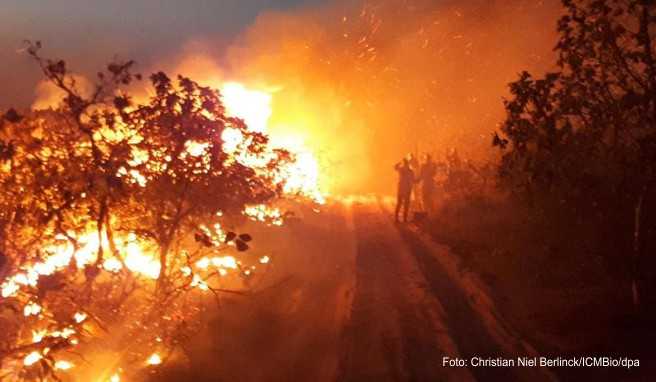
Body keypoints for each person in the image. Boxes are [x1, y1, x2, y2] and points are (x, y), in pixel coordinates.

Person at [394, 157, 415, 222]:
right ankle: (402, 218)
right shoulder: (409, 171)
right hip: (406, 189)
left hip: (402, 189)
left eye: (405, 163)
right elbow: (414, 180)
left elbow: (395, 167)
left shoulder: (402, 169)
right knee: (404, 204)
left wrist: (399, 162)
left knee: (401, 204)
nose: (406, 165)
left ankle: (399, 218)